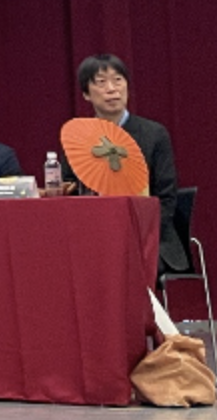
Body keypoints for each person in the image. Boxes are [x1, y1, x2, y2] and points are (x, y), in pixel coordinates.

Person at [69, 54, 185, 273]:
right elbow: (70, 190)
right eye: (101, 82)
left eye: (118, 80)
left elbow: (166, 197)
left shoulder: (154, 134)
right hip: (94, 235)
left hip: (149, 237)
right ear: (86, 94)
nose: (112, 89)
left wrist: (138, 232)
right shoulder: (78, 138)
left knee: (120, 261)